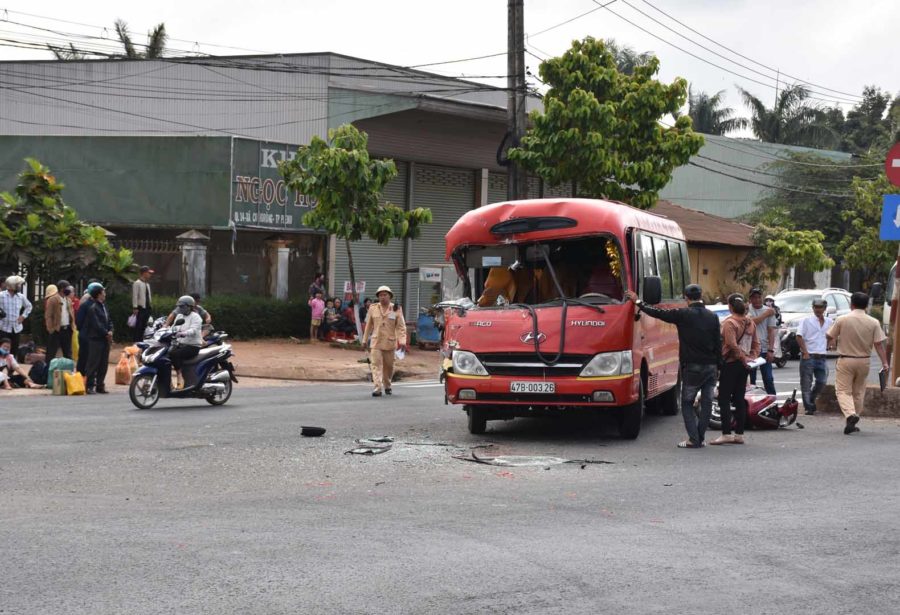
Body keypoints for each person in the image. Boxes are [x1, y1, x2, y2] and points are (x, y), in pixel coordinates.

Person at [625, 284, 722, 449]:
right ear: (701, 295)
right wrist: (719, 366)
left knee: (686, 402)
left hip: (692, 366)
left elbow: (657, 313)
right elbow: (718, 343)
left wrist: (638, 301)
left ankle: (694, 439)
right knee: (707, 403)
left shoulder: (683, 314)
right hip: (711, 366)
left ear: (686, 297)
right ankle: (700, 437)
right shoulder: (712, 317)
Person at [827, 292, 889, 435]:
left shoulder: (842, 319)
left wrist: (831, 342)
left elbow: (830, 335)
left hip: (846, 359)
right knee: (859, 391)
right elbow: (879, 344)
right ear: (866, 306)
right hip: (864, 361)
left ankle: (850, 415)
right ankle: (853, 419)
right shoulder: (873, 322)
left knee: (843, 390)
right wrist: (885, 363)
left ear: (851, 304)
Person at [710, 293, 759, 446]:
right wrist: (752, 358)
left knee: (724, 398)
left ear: (730, 307)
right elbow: (756, 344)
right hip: (745, 366)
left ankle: (726, 433)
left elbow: (731, 345)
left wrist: (743, 358)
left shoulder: (729, 323)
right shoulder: (751, 323)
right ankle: (739, 434)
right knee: (739, 398)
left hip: (731, 363)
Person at [361, 285, 408, 397]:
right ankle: (377, 387)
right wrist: (364, 340)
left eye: (385, 295)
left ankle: (387, 384)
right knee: (375, 365)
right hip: (376, 342)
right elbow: (368, 325)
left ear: (390, 296)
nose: (382, 297)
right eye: (380, 295)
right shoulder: (372, 308)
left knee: (389, 366)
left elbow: (401, 327)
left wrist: (402, 341)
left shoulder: (396, 309)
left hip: (390, 342)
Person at [796, 298, 834, 415]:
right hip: (809, 355)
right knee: (806, 383)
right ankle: (809, 407)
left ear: (824, 309)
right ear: (812, 308)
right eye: (816, 307)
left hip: (822, 356)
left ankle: (811, 399)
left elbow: (832, 335)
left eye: (820, 307)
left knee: (822, 381)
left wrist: (830, 344)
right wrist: (805, 352)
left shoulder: (829, 321)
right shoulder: (806, 320)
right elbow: (799, 336)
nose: (818, 310)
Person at [83, 284, 113, 394]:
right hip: (96, 339)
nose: (105, 294)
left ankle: (100, 385)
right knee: (93, 363)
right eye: (103, 292)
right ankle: (90, 385)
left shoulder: (104, 306)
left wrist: (110, 330)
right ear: (99, 294)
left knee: (103, 363)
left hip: (105, 339)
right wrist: (106, 333)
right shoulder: (93, 308)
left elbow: (109, 320)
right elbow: (96, 324)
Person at [747, 288, 777, 395]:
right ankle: (750, 402)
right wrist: (766, 314)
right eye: (754, 297)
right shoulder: (747, 309)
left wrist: (771, 349)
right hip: (750, 349)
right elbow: (752, 322)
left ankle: (773, 400)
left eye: (759, 297)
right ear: (750, 299)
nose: (757, 300)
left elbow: (771, 331)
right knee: (751, 379)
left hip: (764, 348)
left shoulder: (769, 311)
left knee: (768, 378)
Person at [169, 296, 204, 373]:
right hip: (180, 344)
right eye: (179, 306)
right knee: (165, 353)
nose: (180, 308)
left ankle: (179, 375)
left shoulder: (196, 317)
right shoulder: (179, 316)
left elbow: (193, 330)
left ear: (189, 306)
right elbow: (174, 327)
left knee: (174, 354)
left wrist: (183, 333)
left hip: (192, 346)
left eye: (182, 306)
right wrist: (166, 331)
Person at [0, 276, 32, 357]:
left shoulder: (21, 297)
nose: (19, 287)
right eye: (18, 285)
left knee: (14, 351)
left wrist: (23, 316)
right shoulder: (1, 296)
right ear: (12, 285)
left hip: (16, 328)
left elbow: (29, 306)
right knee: (2, 351)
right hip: (3, 328)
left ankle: (12, 368)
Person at [75, 282, 102, 376]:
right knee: (84, 358)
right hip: (86, 336)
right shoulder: (87, 305)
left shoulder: (100, 305)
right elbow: (79, 321)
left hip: (92, 336)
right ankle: (81, 379)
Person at [45, 280, 76, 360]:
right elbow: (48, 315)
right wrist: (51, 329)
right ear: (62, 289)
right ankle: (47, 370)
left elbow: (71, 314)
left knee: (68, 353)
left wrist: (72, 326)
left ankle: (68, 371)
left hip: (67, 329)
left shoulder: (68, 300)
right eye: (67, 288)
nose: (69, 290)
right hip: (57, 329)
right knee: (51, 353)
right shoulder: (52, 299)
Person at [131, 265, 154, 342]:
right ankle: (136, 341)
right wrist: (135, 307)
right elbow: (135, 296)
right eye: (148, 273)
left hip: (147, 307)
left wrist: (150, 305)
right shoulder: (137, 283)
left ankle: (141, 341)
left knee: (144, 325)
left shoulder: (147, 284)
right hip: (140, 308)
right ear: (144, 273)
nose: (149, 274)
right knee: (138, 326)